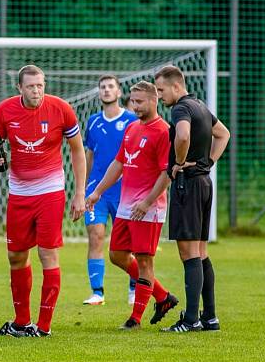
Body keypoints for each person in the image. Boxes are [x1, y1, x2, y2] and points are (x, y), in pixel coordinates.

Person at [0, 64, 87, 337]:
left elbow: (77, 151)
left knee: (47, 253)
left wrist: (80, 193)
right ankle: (22, 323)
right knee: (16, 256)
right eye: (31, 86)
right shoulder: (5, 110)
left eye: (40, 85)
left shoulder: (61, 109)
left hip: (51, 191)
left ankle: (43, 327)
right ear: (19, 87)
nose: (37, 90)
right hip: (18, 193)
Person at [85, 81, 179, 329]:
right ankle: (162, 296)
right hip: (127, 205)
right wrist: (96, 192)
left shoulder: (163, 132)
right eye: (133, 101)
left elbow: (167, 173)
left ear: (154, 100)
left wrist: (148, 202)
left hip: (148, 209)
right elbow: (118, 164)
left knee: (145, 261)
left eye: (140, 102)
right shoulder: (132, 128)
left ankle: (134, 319)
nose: (135, 106)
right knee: (116, 254)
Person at [155, 65, 230, 332]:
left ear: (177, 86)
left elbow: (183, 135)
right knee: (201, 252)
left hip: (188, 184)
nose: (160, 96)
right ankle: (209, 317)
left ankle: (191, 320)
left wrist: (178, 162)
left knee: (189, 254)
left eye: (161, 90)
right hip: (204, 182)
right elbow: (223, 134)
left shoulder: (180, 109)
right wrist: (208, 162)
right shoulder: (200, 105)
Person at [82, 75, 139, 306]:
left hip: (125, 192)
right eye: (103, 87)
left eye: (110, 87)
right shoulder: (93, 122)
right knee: (96, 237)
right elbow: (88, 155)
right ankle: (97, 292)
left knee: (129, 244)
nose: (106, 90)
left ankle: (134, 288)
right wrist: (83, 188)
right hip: (97, 192)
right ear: (99, 93)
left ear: (118, 92)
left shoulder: (132, 121)